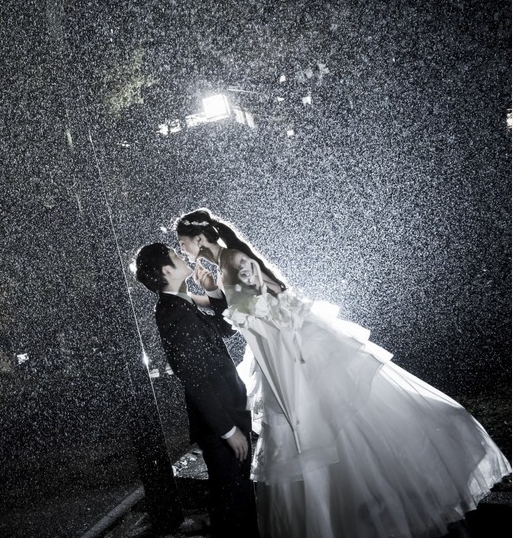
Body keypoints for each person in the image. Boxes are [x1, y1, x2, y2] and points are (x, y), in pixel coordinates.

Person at [175, 208, 511, 538]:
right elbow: (238, 305)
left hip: (284, 350)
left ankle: (377, 498)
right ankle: (343, 509)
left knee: (325, 421)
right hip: (268, 353)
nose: (182, 250)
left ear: (200, 238)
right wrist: (211, 294)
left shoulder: (233, 258)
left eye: (183, 243)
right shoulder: (220, 266)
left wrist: (234, 305)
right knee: (305, 427)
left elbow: (276, 291)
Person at [133, 242, 261, 538]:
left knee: (237, 497)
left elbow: (227, 329)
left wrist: (213, 292)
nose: (182, 256)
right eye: (176, 256)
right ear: (167, 270)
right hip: (221, 422)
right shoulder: (172, 312)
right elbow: (194, 379)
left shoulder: (181, 302)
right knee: (233, 504)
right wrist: (228, 430)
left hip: (229, 410)